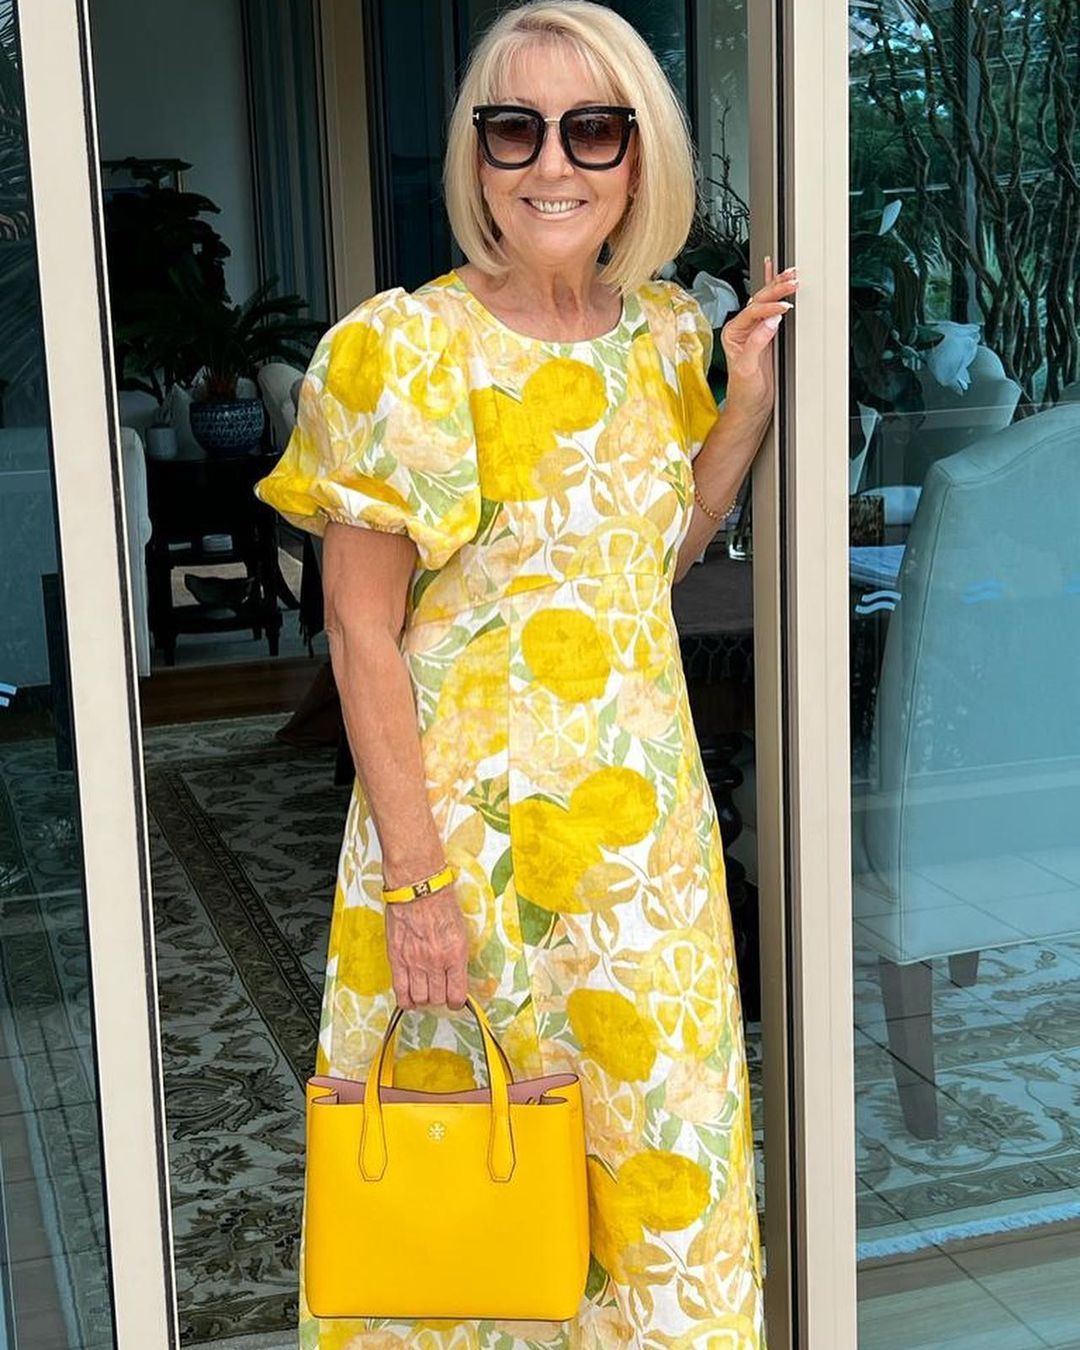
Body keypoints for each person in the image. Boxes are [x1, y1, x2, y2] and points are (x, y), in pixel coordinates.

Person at [255, 2, 797, 1345]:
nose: (553, 164)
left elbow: (653, 558)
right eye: (516, 129)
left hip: (641, 869)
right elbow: (359, 634)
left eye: (592, 129)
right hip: (465, 868)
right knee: (468, 1237)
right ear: (478, 154)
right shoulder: (399, 352)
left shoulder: (664, 335)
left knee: (661, 1199)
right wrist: (419, 887)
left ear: (639, 154)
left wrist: (740, 410)